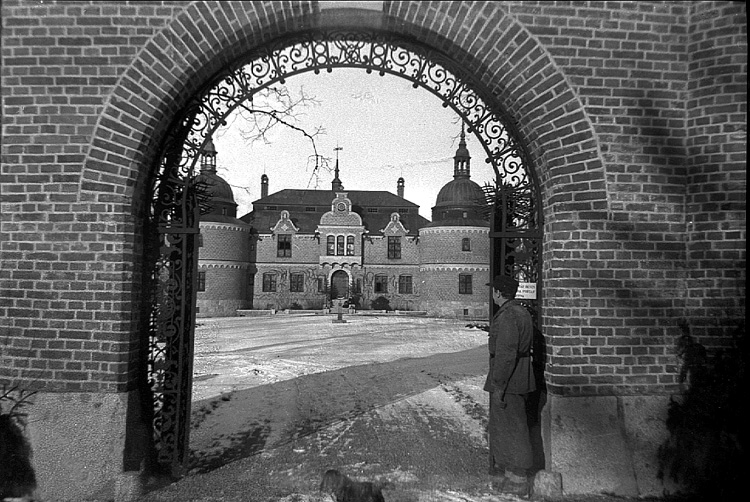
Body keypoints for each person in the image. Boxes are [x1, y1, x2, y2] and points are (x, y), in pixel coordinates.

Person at [484, 274, 536, 497]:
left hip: (510, 380)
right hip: (518, 378)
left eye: (493, 291)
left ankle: (518, 480)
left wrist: (498, 385)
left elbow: (506, 354)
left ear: (497, 293)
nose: (492, 295)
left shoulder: (508, 316)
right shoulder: (519, 311)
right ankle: (511, 476)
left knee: (512, 428)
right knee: (510, 427)